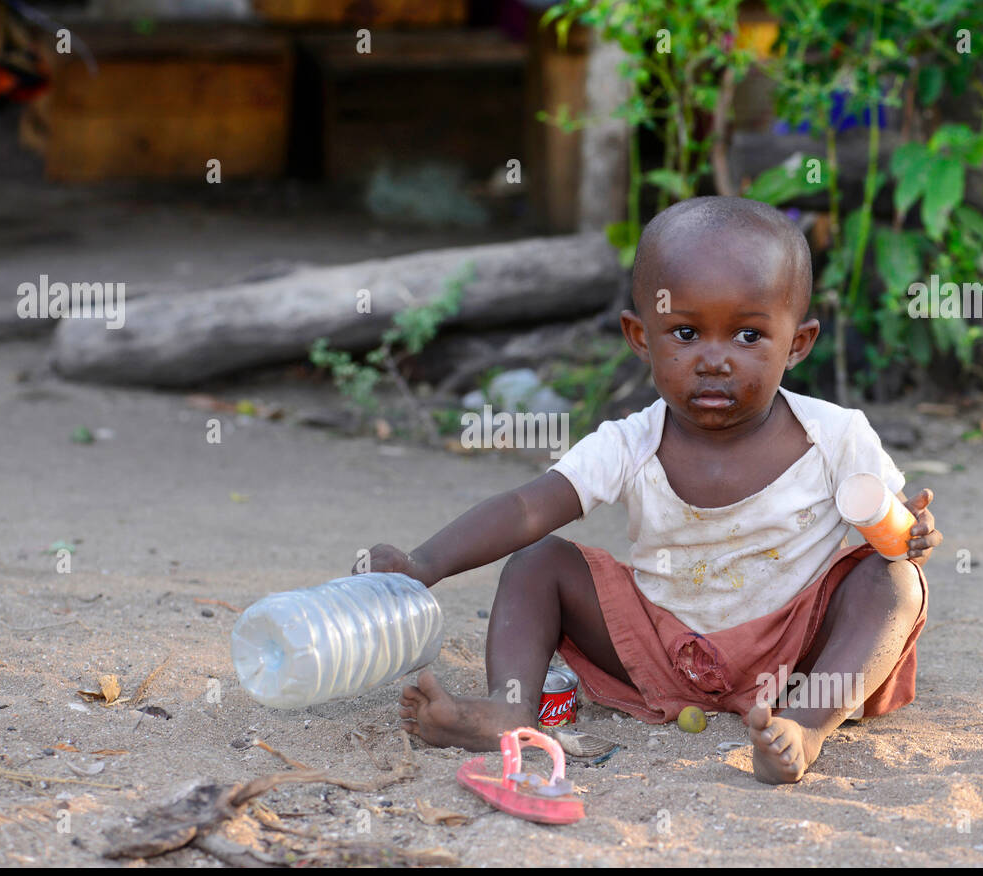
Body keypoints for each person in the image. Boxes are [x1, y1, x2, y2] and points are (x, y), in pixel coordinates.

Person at [359, 196, 942, 783]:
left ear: (797, 342)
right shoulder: (629, 443)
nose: (715, 361)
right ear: (641, 336)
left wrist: (911, 532)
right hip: (659, 649)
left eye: (748, 335)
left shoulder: (836, 435)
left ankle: (802, 730)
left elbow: (893, 521)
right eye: (685, 332)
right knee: (539, 561)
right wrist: (421, 564)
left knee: (892, 577)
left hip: (792, 660)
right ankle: (510, 709)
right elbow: (528, 507)